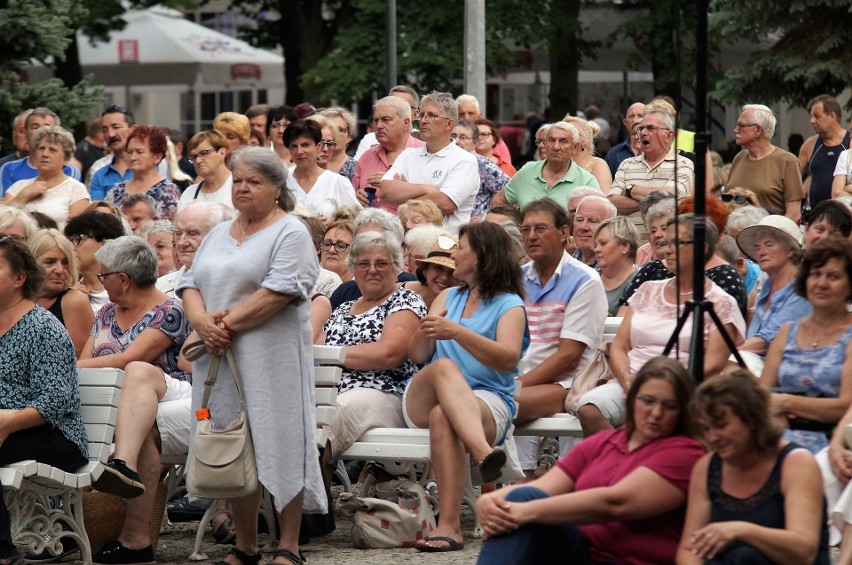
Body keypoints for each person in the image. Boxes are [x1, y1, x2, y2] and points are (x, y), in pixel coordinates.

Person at [177, 146, 325, 565]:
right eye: (238, 180)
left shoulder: (290, 233)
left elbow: (277, 292)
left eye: (254, 181)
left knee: (280, 441)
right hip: (218, 359)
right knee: (230, 442)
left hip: (271, 357)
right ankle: (246, 545)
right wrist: (202, 322)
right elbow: (189, 283)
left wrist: (221, 326)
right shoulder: (218, 233)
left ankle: (289, 545)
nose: (242, 188)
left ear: (277, 188)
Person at [476, 357, 704, 565]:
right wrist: (492, 502)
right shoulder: (604, 443)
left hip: (637, 560)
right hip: (586, 553)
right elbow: (540, 489)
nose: (655, 413)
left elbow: (615, 503)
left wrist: (522, 513)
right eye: (648, 401)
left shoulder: (685, 452)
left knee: (522, 506)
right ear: (632, 400)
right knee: (520, 498)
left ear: (683, 411)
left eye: (669, 406)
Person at [404, 221, 529, 552]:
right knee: (443, 366)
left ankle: (449, 526)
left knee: (444, 417)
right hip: (425, 393)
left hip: (487, 400)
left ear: (483, 255)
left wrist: (456, 332)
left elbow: (506, 359)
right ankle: (485, 452)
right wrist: (427, 330)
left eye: (460, 248)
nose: (454, 254)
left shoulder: (510, 305)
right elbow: (417, 354)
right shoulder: (447, 296)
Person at [75, 236, 192, 565]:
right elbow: (87, 361)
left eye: (103, 276)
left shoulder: (170, 310)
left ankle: (121, 462)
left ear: (122, 279)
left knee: (137, 370)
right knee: (137, 427)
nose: (100, 282)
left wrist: (64, 367)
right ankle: (135, 541)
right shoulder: (106, 314)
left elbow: (130, 358)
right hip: (130, 407)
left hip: (172, 392)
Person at [600, 215, 746, 434]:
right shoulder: (647, 289)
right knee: (591, 407)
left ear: (702, 248)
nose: (668, 250)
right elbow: (619, 345)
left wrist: (662, 388)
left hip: (684, 387)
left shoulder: (721, 303)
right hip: (630, 382)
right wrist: (628, 380)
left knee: (660, 414)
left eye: (678, 243)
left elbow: (714, 364)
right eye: (666, 243)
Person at [678, 371, 829, 565]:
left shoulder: (796, 464)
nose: (712, 437)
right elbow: (689, 549)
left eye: (720, 425)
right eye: (706, 429)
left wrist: (741, 530)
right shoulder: (706, 467)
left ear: (751, 419)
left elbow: (803, 551)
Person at [0, 237, 89, 565]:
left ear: (19, 278)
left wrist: (7, 421)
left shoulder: (43, 328)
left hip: (55, 436)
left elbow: (55, 400)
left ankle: (4, 554)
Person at [316, 230, 427, 488]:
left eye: (381, 263)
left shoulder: (404, 300)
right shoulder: (344, 308)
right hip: (333, 394)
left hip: (385, 394)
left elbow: (389, 353)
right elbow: (315, 350)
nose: (372, 270)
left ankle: (310, 508)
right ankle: (303, 504)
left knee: (330, 414)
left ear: (397, 268)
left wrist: (336, 355)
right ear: (353, 269)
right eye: (364, 264)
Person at [513, 198, 607, 477]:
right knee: (470, 403)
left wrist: (515, 384)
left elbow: (568, 358)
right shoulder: (516, 278)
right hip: (522, 379)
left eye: (540, 228)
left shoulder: (584, 280)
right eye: (526, 229)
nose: (531, 236)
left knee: (498, 405)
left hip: (567, 383)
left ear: (564, 233)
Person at [759, 238, 852, 454]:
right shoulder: (787, 332)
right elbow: (762, 397)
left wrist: (785, 402)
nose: (821, 283)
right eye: (815, 274)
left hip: (831, 443)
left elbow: (845, 405)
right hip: (777, 438)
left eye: (833, 276)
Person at [380, 91, 480, 236]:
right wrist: (429, 189)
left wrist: (403, 196)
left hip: (444, 249)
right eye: (421, 115)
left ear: (449, 123)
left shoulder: (465, 160)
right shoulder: (408, 154)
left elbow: (445, 203)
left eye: (432, 115)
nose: (424, 120)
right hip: (407, 246)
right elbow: (385, 190)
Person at [733, 215, 812, 375]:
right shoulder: (767, 284)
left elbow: (766, 342)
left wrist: (723, 353)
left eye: (769, 245)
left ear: (790, 249)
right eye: (758, 247)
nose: (761, 252)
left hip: (787, 369)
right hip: (755, 364)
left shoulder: (800, 288)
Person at [608, 109, 695, 239]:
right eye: (641, 128)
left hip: (666, 244)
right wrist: (654, 203)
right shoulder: (627, 164)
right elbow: (611, 203)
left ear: (669, 135)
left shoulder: (683, 163)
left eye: (650, 128)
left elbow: (672, 195)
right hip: (628, 245)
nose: (642, 133)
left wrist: (631, 191)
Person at [491, 121, 600, 209]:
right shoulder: (527, 171)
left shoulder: (586, 181)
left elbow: (598, 215)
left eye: (563, 141)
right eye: (551, 140)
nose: (556, 147)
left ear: (575, 148)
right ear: (545, 144)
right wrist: (515, 224)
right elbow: (498, 201)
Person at [726, 104, 804, 223]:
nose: (735, 130)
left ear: (758, 129)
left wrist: (770, 236)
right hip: (734, 236)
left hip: (768, 237)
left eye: (741, 125)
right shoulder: (739, 158)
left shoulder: (787, 161)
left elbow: (793, 213)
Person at [4, 125, 89, 228]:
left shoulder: (76, 190)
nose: (45, 154)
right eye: (41, 148)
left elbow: (75, 233)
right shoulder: (18, 187)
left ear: (66, 159)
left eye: (52, 150)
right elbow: (3, 224)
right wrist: (22, 197)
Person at [27, 229, 93, 357]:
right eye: (50, 262)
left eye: (65, 262)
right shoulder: (16, 300)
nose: (60, 270)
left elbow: (79, 363)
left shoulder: (74, 300)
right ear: (31, 264)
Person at [353, 96, 425, 213]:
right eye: (376, 120)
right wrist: (357, 199)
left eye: (386, 120)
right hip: (370, 227)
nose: (379, 126)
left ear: (406, 122)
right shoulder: (367, 156)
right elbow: (351, 201)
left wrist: (396, 188)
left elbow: (435, 203)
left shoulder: (425, 153)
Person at [283, 120, 358, 223]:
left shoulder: (338, 182)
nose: (299, 152)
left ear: (318, 147)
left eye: (305, 145)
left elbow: (355, 221)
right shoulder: (281, 182)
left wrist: (332, 225)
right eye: (294, 146)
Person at [156, 202, 235, 297]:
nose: (181, 243)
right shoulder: (159, 288)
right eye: (178, 233)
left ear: (219, 235)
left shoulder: (240, 285)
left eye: (192, 233)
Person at [105, 126, 181, 221]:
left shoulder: (167, 191)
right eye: (129, 152)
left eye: (139, 152)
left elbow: (164, 229)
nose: (133, 157)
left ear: (157, 157)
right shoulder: (115, 191)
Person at [0, 107, 81, 195]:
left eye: (47, 127)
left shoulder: (70, 170)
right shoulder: (9, 168)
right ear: (25, 132)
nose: (41, 131)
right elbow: (5, 205)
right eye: (35, 127)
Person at [63, 211, 127, 313]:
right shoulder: (69, 290)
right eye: (69, 241)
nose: (71, 248)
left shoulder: (126, 288)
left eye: (77, 239)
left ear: (105, 242)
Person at [451, 120, 510, 220]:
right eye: (453, 136)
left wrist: (486, 218)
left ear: (475, 143)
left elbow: (510, 190)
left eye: (463, 137)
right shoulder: (447, 160)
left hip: (475, 228)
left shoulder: (482, 164)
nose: (456, 141)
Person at [798, 95, 850, 208]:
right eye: (812, 116)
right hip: (815, 215)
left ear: (832, 116)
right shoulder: (809, 145)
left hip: (845, 216)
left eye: (817, 116)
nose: (811, 121)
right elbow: (793, 177)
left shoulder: (849, 141)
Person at [594, 216, 640, 315]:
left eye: (603, 243)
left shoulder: (639, 283)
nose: (596, 249)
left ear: (625, 246)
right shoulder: (588, 279)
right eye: (595, 245)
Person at [179, 130, 234, 208]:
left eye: (204, 153)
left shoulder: (237, 187)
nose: (198, 161)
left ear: (222, 153)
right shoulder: (189, 193)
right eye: (194, 157)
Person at [406, 233, 459, 308]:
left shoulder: (465, 309)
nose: (444, 277)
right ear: (425, 270)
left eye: (452, 272)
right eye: (438, 268)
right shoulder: (403, 292)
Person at [562, 115, 612, 192]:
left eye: (572, 133)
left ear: (585, 140)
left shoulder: (598, 164)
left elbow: (604, 197)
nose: (563, 138)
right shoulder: (557, 163)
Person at [604, 101, 646, 176]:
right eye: (631, 116)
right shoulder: (613, 154)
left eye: (640, 115)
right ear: (626, 123)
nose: (635, 119)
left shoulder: (658, 152)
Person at [318, 107, 358, 180]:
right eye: (330, 128)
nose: (334, 133)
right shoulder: (309, 163)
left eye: (340, 130)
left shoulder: (357, 169)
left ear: (349, 136)